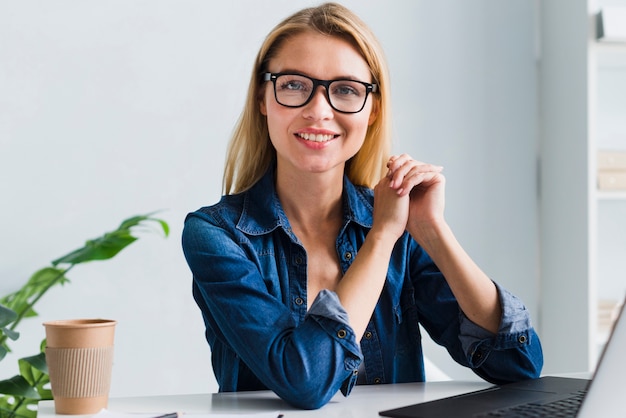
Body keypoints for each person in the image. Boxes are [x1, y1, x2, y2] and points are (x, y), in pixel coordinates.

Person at [182, 2, 543, 410]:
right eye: (295, 85)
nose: (319, 111)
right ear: (263, 97)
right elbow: (305, 381)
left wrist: (433, 231)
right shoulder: (216, 235)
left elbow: (518, 363)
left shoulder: (398, 224)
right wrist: (381, 237)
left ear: (372, 110)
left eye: (346, 90)